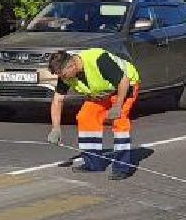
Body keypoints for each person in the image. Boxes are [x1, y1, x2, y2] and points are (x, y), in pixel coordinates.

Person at [46, 47, 139, 179]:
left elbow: (123, 81)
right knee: (85, 117)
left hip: (125, 87)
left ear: (71, 65)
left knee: (119, 121)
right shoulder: (66, 73)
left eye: (63, 75)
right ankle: (94, 164)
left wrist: (117, 106)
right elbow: (58, 99)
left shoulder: (98, 59)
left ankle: (122, 167)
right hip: (102, 93)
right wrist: (55, 128)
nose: (62, 78)